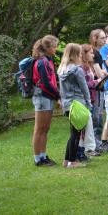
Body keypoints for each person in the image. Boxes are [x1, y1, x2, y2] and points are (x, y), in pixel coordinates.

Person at [58, 43, 92, 168]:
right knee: (76, 134)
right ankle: (72, 162)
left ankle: (66, 160)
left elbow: (61, 91)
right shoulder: (77, 70)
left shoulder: (62, 69)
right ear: (76, 54)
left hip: (67, 105)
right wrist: (89, 103)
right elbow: (84, 88)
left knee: (73, 132)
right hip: (78, 104)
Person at [31, 35, 60, 167]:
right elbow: (46, 84)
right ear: (47, 48)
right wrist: (58, 95)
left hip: (48, 97)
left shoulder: (48, 60)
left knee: (45, 128)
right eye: (54, 46)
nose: (56, 48)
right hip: (41, 96)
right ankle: (38, 159)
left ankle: (43, 156)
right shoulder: (42, 62)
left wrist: (55, 95)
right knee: (39, 129)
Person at [80, 44, 102, 157]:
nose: (93, 55)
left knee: (92, 122)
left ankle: (89, 148)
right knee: (86, 125)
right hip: (85, 100)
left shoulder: (89, 66)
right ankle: (86, 149)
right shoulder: (81, 68)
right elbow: (84, 84)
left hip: (92, 97)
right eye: (91, 53)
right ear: (84, 54)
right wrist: (97, 82)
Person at [89, 29, 108, 151]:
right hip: (96, 89)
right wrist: (104, 74)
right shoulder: (95, 53)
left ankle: (97, 143)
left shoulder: (98, 52)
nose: (105, 39)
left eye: (105, 37)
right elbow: (98, 73)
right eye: (102, 38)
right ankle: (96, 145)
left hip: (99, 88)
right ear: (95, 39)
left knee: (99, 116)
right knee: (97, 117)